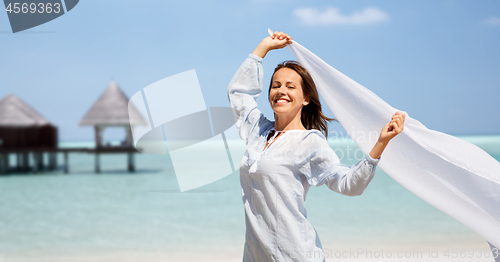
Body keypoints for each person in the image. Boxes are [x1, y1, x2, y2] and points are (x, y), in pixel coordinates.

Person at [227, 31, 405, 262]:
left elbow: (348, 185)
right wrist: (263, 48)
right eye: (276, 85)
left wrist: (380, 144)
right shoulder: (258, 131)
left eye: (291, 87)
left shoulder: (309, 140)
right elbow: (238, 93)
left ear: (306, 98)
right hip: (255, 255)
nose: (281, 91)